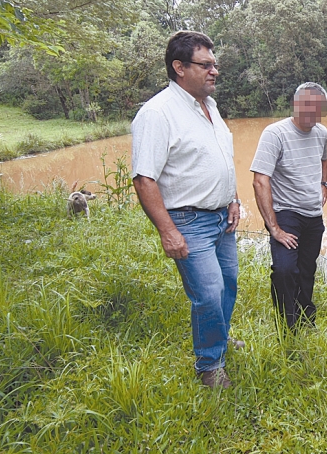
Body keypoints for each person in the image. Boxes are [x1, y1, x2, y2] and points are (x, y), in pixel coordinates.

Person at [131, 31, 242, 389]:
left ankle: (220, 343)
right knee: (207, 294)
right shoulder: (157, 113)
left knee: (227, 286)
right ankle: (209, 366)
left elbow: (221, 158)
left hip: (222, 218)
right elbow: (144, 179)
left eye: (215, 64)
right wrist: (168, 231)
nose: (214, 71)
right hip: (188, 220)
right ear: (179, 67)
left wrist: (234, 198)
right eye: (205, 64)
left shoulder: (209, 106)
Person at [251, 82, 327, 331]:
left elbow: (324, 159)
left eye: (318, 109)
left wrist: (325, 184)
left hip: (313, 215)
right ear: (295, 104)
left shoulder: (322, 133)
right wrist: (274, 227)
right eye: (307, 107)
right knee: (285, 270)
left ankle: (307, 320)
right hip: (286, 214)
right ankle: (287, 326)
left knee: (307, 270)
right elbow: (260, 179)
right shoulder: (275, 133)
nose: (312, 115)